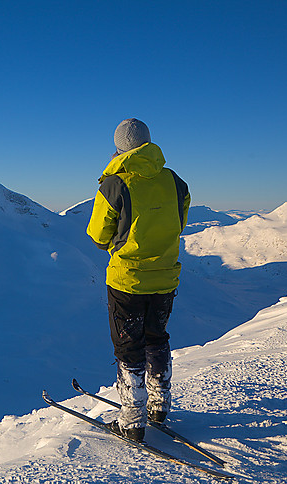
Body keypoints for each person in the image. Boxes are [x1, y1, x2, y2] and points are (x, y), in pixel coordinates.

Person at [86, 118, 190, 442]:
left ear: (119, 148)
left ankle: (132, 420)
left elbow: (97, 234)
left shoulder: (114, 185)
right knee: (157, 337)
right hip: (166, 276)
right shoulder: (175, 182)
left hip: (127, 280)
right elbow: (179, 223)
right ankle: (159, 406)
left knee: (129, 347)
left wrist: (119, 241)